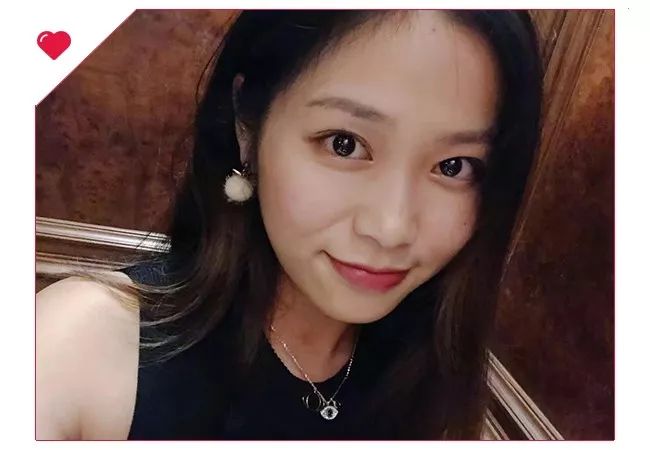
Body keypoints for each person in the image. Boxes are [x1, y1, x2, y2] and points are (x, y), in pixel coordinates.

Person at [36, 10, 542, 440]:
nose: (391, 228)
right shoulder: (79, 348)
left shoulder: (435, 374)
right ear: (247, 128)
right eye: (344, 144)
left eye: (453, 166)